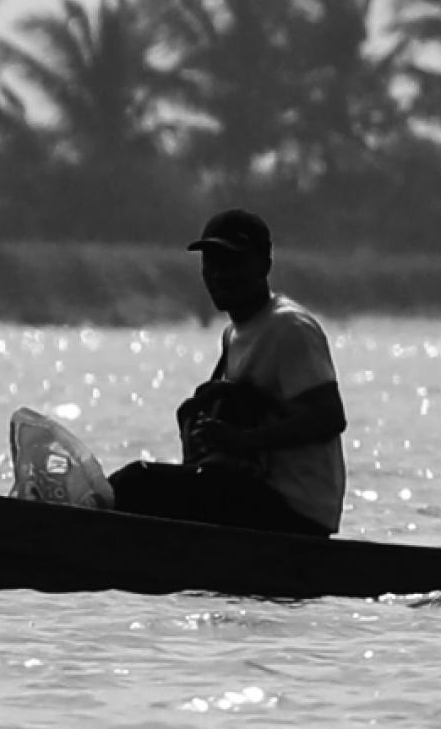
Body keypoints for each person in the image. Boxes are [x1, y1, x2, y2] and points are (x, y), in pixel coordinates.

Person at [106, 209, 350, 536]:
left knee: (137, 482)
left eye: (233, 262)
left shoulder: (289, 328)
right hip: (249, 493)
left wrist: (241, 440)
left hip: (294, 509)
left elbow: (329, 417)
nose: (220, 274)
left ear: (264, 265)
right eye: (212, 263)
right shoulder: (233, 335)